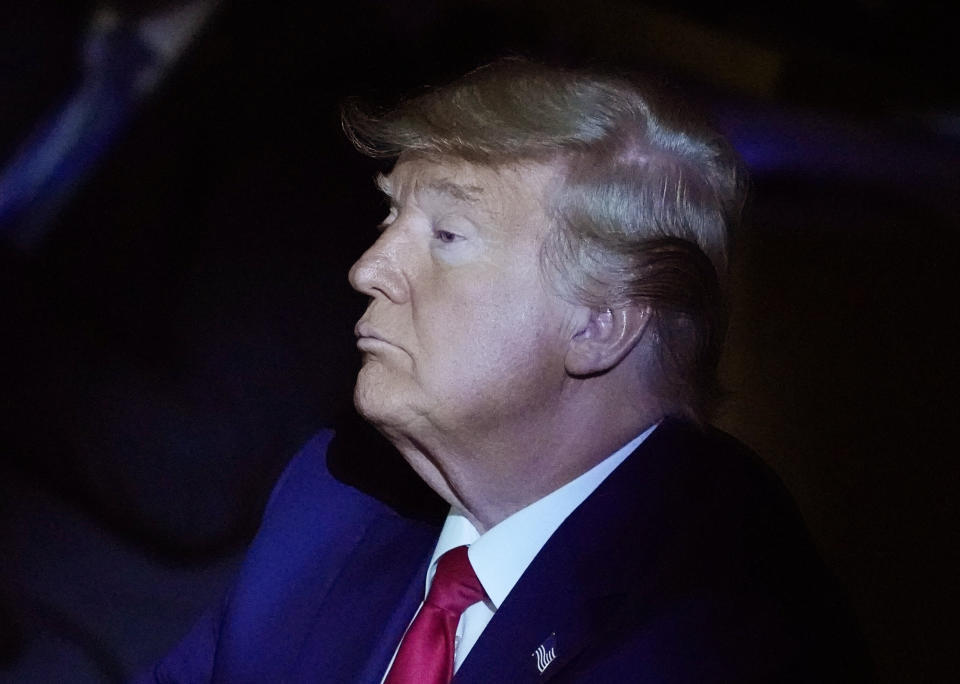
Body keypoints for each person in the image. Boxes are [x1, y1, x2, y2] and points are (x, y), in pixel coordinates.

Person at [137, 59, 870, 682]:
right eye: (391, 219)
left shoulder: (729, 633)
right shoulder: (336, 493)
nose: (368, 268)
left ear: (598, 324)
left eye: (446, 235)